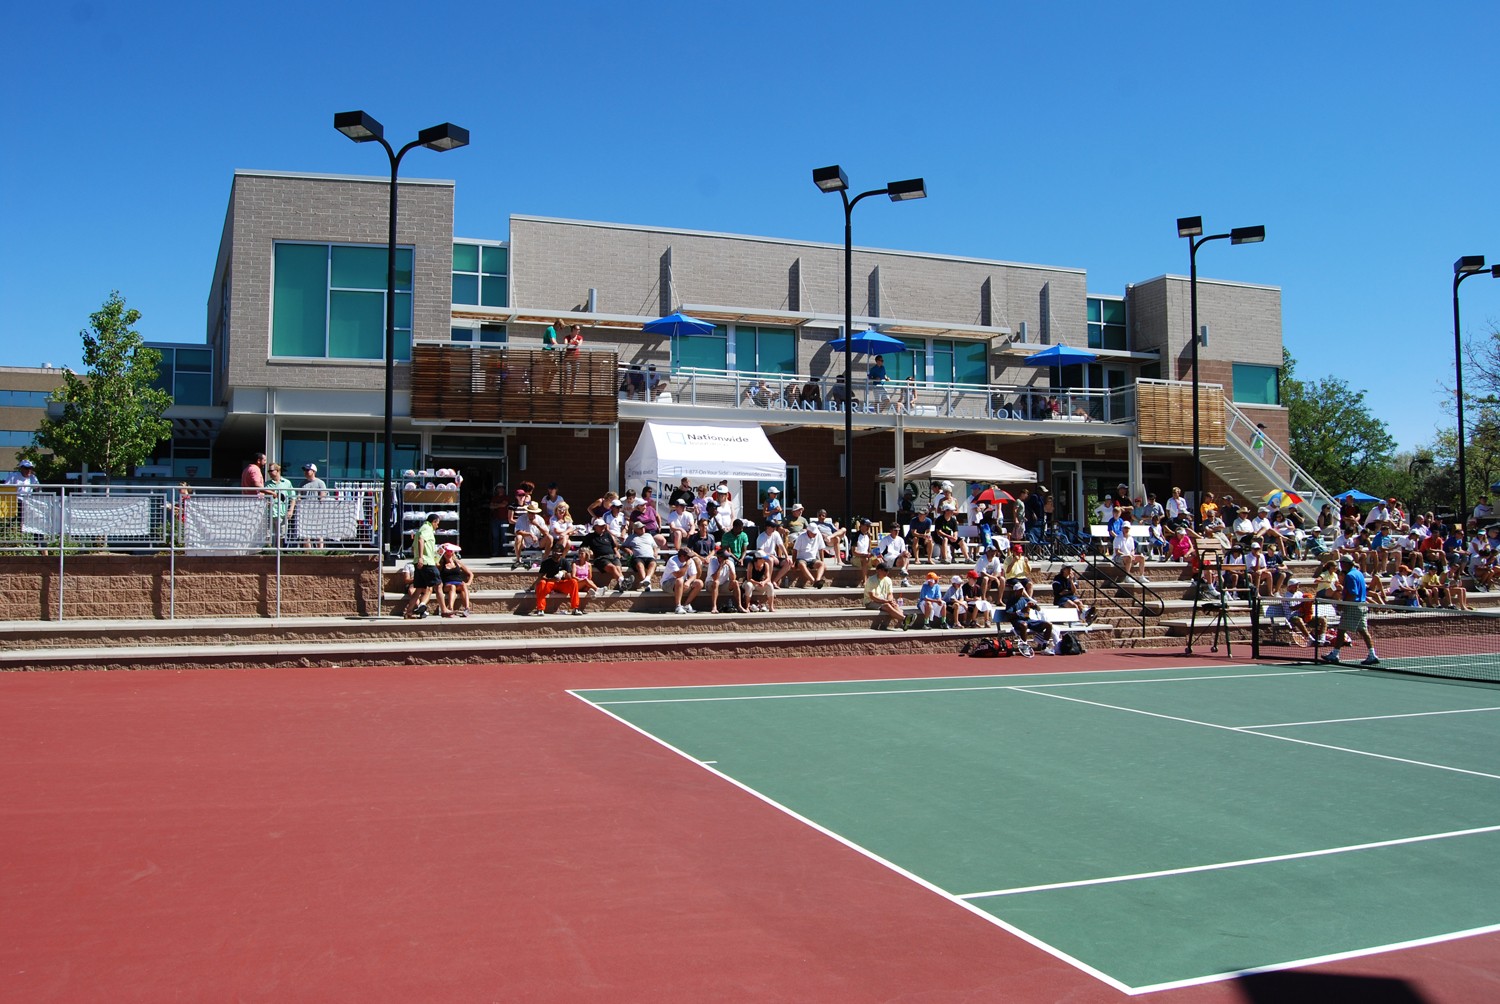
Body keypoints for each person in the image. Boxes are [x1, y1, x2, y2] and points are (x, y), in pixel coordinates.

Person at [1321, 554, 1380, 665]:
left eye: (1342, 563)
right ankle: (1372, 655)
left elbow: (1353, 594)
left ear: (1346, 564)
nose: (1340, 565)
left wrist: (1343, 604)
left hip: (1353, 606)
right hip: (1361, 606)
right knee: (1363, 631)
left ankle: (1335, 654)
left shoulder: (1350, 576)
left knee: (1341, 630)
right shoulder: (1359, 574)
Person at [402, 512, 445, 618]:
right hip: (426, 562)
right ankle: (444, 610)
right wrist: (422, 557)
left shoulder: (420, 529)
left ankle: (409, 612)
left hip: (420, 562)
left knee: (419, 589)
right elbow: (421, 540)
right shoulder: (427, 528)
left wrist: (421, 556)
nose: (437, 526)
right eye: (437, 523)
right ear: (434, 522)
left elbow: (413, 547)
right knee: (439, 585)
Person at [999, 580, 1055, 656]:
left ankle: (1044, 647)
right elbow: (1009, 615)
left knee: (1048, 624)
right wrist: (1020, 611)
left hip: (1028, 620)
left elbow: (1038, 609)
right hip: (1017, 621)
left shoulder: (1025, 599)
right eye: (1020, 590)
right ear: (1015, 591)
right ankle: (1024, 647)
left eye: (1022, 590)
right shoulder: (1011, 601)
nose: (1021, 592)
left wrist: (1034, 606)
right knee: (1024, 625)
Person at [531, 541, 583, 616]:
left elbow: (569, 577)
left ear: (561, 554)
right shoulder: (546, 562)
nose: (555, 554)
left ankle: (575, 608)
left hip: (561, 584)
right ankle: (540, 609)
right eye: (554, 552)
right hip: (550, 583)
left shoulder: (564, 562)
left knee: (574, 582)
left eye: (557, 552)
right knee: (542, 583)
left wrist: (563, 573)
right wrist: (551, 579)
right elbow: (541, 577)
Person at [578, 518, 625, 592]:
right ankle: (624, 582)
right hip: (600, 558)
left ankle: (622, 584)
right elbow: (583, 547)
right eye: (600, 526)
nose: (603, 527)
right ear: (595, 527)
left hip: (612, 556)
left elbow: (614, 546)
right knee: (612, 568)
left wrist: (617, 552)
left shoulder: (607, 535)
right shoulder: (590, 536)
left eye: (603, 526)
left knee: (618, 568)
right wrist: (589, 551)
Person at [863, 561, 906, 630]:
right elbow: (872, 597)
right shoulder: (871, 580)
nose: (887, 572)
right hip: (870, 602)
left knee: (895, 605)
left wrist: (890, 600)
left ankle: (900, 622)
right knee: (887, 606)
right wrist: (886, 601)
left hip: (883, 601)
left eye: (888, 570)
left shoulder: (888, 580)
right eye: (885, 570)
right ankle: (904, 618)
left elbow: (890, 593)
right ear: (878, 570)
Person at [661, 547, 704, 614]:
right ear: (682, 556)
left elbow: (694, 575)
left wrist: (688, 582)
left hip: (682, 583)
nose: (690, 558)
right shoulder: (672, 560)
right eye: (688, 556)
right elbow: (678, 575)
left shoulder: (690, 560)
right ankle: (678, 606)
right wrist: (686, 565)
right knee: (679, 580)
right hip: (667, 584)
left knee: (699, 583)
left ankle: (686, 605)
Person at [264, 463, 297, 547]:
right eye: (268, 471)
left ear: (278, 471)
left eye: (271, 470)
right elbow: (263, 497)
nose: (269, 473)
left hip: (282, 514)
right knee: (268, 535)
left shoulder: (286, 483)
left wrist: (291, 510)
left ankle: (279, 553)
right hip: (269, 514)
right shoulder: (267, 484)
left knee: (281, 536)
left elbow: (293, 497)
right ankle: (269, 553)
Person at [437, 543, 473, 617]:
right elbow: (436, 558)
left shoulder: (457, 563)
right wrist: (442, 547)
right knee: (452, 587)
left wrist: (468, 583)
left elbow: (470, 574)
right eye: (447, 554)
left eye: (450, 553)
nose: (448, 555)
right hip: (448, 584)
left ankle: (467, 608)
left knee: (463, 585)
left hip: (458, 583)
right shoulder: (441, 565)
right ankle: (450, 608)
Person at [706, 545, 744, 613]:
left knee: (735, 582)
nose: (727, 559)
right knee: (716, 582)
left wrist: (729, 567)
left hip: (723, 584)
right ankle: (714, 607)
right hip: (710, 584)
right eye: (725, 557)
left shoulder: (730, 562)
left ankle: (739, 606)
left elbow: (733, 578)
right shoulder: (713, 561)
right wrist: (721, 566)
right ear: (719, 557)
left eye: (727, 557)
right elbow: (715, 578)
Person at [623, 521, 660, 591]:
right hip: (638, 557)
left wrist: (655, 552)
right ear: (636, 529)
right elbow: (623, 546)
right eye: (640, 528)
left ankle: (647, 579)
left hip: (650, 557)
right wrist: (628, 550)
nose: (643, 529)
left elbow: (655, 546)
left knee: (653, 563)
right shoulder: (631, 537)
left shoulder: (648, 536)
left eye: (643, 527)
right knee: (640, 566)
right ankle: (647, 585)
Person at [790, 522, 828, 588]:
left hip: (812, 558)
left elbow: (821, 549)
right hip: (801, 558)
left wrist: (822, 561)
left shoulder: (818, 535)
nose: (815, 534)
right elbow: (795, 550)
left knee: (822, 564)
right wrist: (793, 563)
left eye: (815, 533)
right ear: (808, 531)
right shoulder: (801, 537)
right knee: (802, 564)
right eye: (813, 533)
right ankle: (813, 581)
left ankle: (818, 580)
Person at [563, 324, 584, 393]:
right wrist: (571, 342)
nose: (578, 331)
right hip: (567, 358)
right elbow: (565, 344)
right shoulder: (567, 337)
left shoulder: (579, 337)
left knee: (574, 376)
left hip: (576, 358)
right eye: (577, 329)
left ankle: (571, 393)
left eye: (579, 330)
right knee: (567, 375)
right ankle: (564, 392)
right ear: (573, 330)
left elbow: (579, 345)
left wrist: (576, 343)